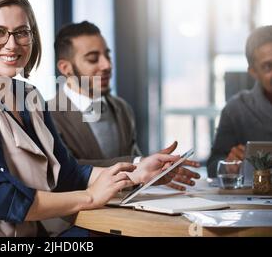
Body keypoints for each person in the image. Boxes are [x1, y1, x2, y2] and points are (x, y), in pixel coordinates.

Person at [0, 0, 192, 237]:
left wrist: (136, 173)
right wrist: (90, 197)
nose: (12, 44)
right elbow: (7, 201)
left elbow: (68, 174)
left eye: (21, 32)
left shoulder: (29, 96)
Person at [49, 21, 200, 191]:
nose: (107, 65)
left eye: (107, 55)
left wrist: (155, 172)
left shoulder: (122, 108)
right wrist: (138, 163)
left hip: (126, 211)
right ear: (66, 68)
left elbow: (134, 164)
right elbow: (69, 169)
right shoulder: (47, 115)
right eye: (93, 59)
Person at [207, 25, 272, 178]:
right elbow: (213, 165)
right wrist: (228, 164)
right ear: (253, 72)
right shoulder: (236, 110)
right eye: (268, 66)